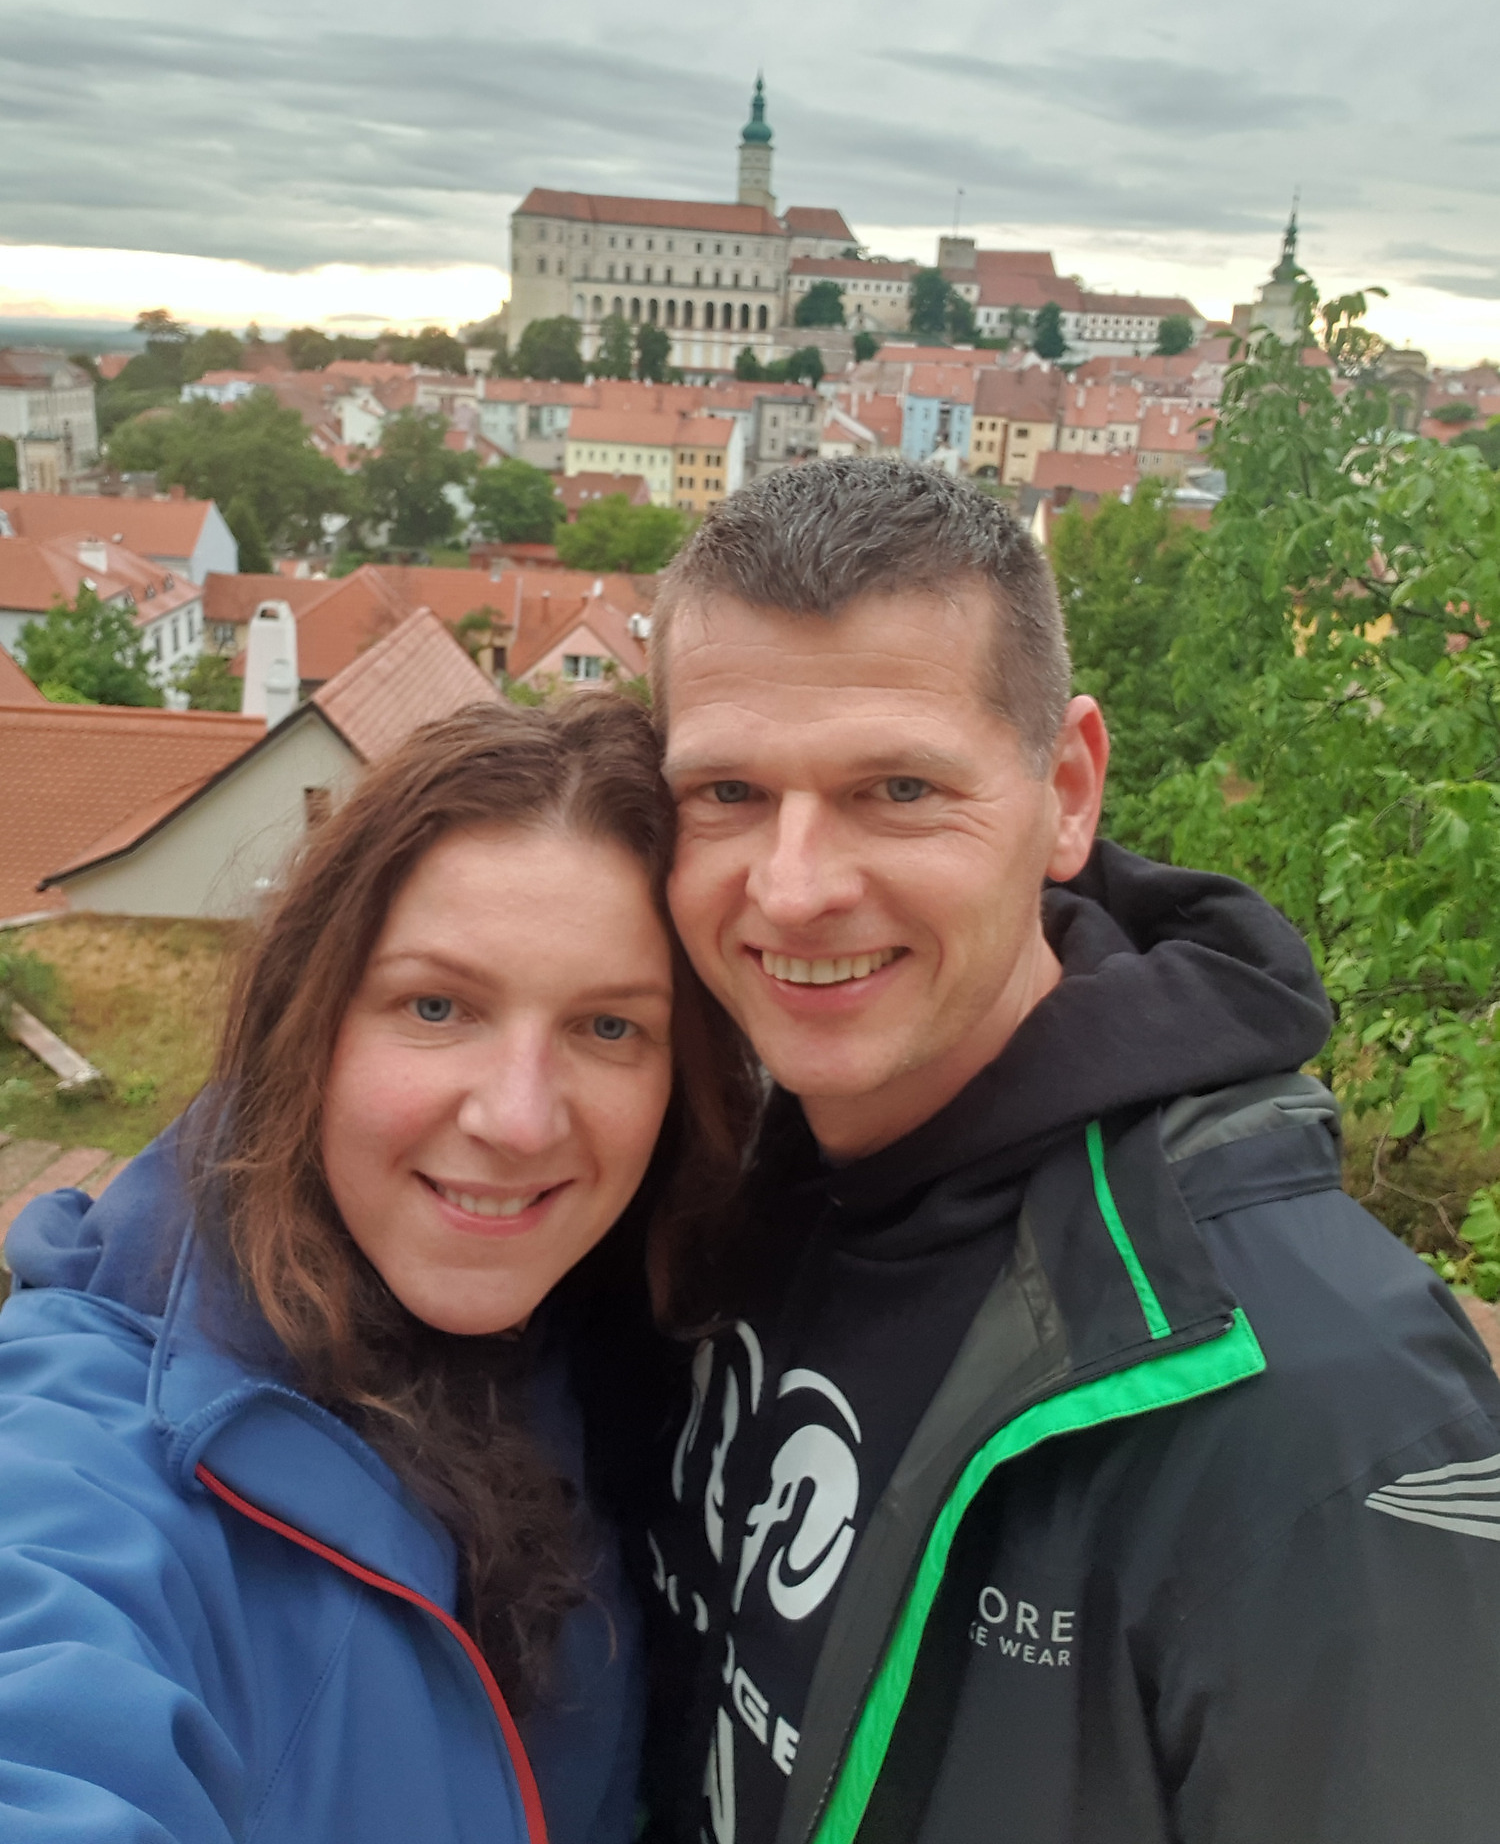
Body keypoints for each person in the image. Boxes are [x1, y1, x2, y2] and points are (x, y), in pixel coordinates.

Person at [631, 461, 1500, 1844]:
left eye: (898, 788)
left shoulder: (1326, 1406)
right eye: (728, 790)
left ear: (1068, 789)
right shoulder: (719, 1181)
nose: (793, 888)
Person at [0, 694, 751, 1844]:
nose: (518, 1117)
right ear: (308, 1023)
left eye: (609, 1026)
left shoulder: (598, 1340)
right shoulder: (88, 1449)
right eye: (437, 1005)